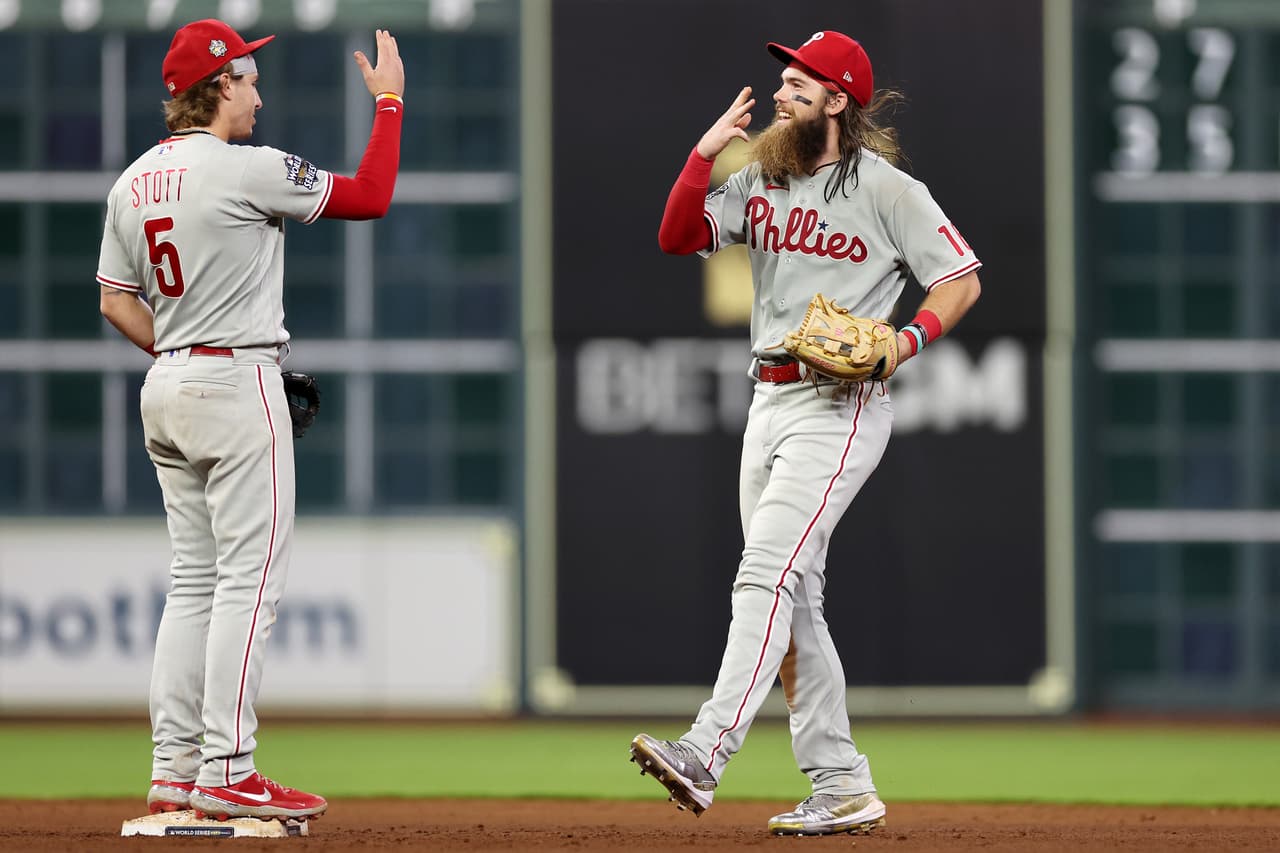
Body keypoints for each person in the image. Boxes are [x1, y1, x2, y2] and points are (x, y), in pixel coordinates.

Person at [630, 30, 981, 836]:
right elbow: (679, 236)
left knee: (764, 576)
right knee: (796, 603)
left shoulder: (889, 190)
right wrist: (701, 153)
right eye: (783, 79)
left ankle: (705, 750)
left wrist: (905, 339)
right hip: (769, 400)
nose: (781, 93)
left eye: (799, 83)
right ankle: (843, 781)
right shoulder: (762, 174)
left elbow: (959, 279)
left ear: (838, 100)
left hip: (838, 405)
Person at [96, 19, 404, 822]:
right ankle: (228, 768)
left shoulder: (130, 181)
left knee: (193, 581)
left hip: (166, 382)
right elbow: (370, 196)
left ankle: (174, 770)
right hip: (235, 380)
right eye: (249, 79)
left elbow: (112, 298)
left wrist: (181, 354)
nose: (259, 94)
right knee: (248, 584)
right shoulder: (246, 169)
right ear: (219, 83)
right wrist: (391, 104)